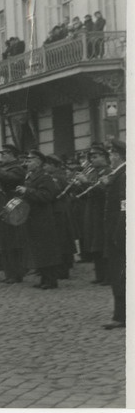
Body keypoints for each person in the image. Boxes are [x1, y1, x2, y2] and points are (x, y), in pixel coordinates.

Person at [15, 150, 62, 289]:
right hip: (33, 217)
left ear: (38, 162)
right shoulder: (31, 176)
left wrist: (27, 191)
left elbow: (47, 196)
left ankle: (51, 280)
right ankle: (44, 278)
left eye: (29, 161)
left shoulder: (45, 177)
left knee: (46, 250)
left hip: (43, 218)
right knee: (38, 250)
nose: (26, 163)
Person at [0, 144, 26, 284]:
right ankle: (9, 274)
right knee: (3, 243)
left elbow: (9, 179)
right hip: (1, 207)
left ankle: (16, 274)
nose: (2, 156)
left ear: (12, 155)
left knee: (13, 242)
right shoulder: (2, 168)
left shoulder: (18, 168)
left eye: (4, 153)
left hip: (13, 207)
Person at [75, 144, 112, 285]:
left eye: (95, 157)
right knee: (95, 244)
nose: (92, 160)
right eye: (91, 157)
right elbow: (86, 193)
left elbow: (103, 191)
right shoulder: (93, 172)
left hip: (102, 211)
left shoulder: (107, 171)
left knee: (103, 244)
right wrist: (80, 185)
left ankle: (108, 276)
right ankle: (100, 275)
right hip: (92, 210)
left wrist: (86, 182)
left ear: (104, 157)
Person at [101, 140, 125, 329]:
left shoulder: (124, 175)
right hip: (117, 231)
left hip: (120, 233)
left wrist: (118, 235)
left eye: (111, 154)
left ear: (118, 155)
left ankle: (121, 316)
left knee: (120, 274)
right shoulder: (118, 174)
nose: (109, 158)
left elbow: (125, 208)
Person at [43, 154, 75, 279]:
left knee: (61, 241)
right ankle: (63, 268)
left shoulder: (56, 177)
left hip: (59, 211)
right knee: (62, 241)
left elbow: (54, 193)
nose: (44, 167)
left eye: (46, 165)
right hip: (59, 211)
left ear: (53, 165)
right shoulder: (55, 176)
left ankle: (63, 270)